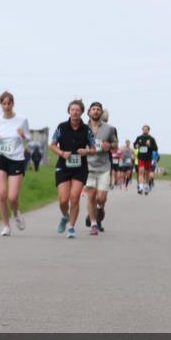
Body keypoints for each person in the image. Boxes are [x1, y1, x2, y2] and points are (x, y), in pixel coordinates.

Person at [50, 100, 96, 239]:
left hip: (80, 168)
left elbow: (94, 149)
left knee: (74, 198)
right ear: (69, 111)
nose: (75, 112)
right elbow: (52, 145)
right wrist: (62, 153)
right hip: (63, 166)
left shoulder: (87, 130)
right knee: (63, 200)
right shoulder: (61, 127)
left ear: (82, 112)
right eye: (72, 109)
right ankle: (65, 216)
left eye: (78, 110)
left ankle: (71, 226)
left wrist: (86, 151)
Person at [0, 91, 29, 236]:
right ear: (1, 105)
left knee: (12, 197)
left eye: (8, 103)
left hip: (17, 159)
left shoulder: (22, 119)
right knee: (2, 194)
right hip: (1, 157)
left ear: (13, 103)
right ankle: (6, 226)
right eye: (3, 104)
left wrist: (23, 135)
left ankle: (16, 213)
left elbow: (28, 138)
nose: (6, 106)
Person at [83, 103, 118, 235]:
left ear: (101, 112)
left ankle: (99, 208)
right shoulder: (83, 127)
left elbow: (115, 144)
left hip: (104, 166)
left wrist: (109, 145)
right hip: (88, 166)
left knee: (101, 198)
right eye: (93, 109)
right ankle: (93, 223)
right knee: (91, 196)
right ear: (89, 112)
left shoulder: (110, 129)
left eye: (98, 110)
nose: (96, 112)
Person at [133, 125, 159, 194]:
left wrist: (149, 146)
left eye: (146, 129)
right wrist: (136, 146)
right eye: (143, 129)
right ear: (142, 130)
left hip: (148, 158)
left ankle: (146, 185)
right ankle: (140, 186)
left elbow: (156, 148)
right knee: (141, 171)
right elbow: (135, 145)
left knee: (147, 173)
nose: (144, 130)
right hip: (141, 158)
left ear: (148, 130)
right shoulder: (139, 138)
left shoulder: (151, 139)